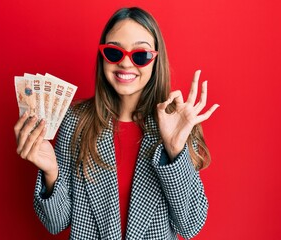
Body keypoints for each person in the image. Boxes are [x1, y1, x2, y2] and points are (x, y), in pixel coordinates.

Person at [14, 6, 219, 240]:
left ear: (155, 60)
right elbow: (56, 223)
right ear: (103, 56)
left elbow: (190, 225)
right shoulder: (75, 122)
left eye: (140, 55)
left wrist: (175, 151)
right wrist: (51, 172)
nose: (126, 63)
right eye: (114, 52)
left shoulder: (177, 123)